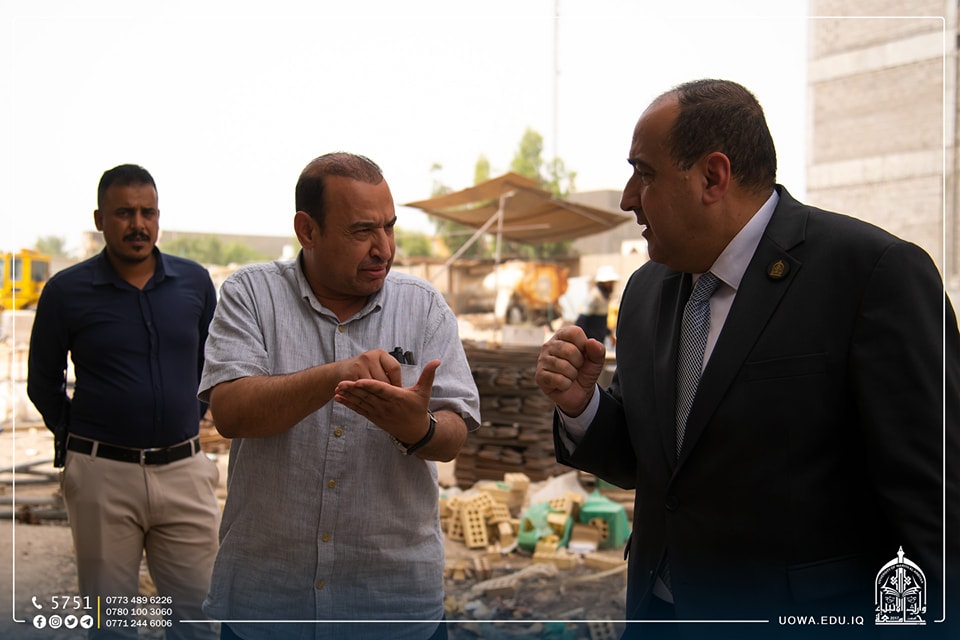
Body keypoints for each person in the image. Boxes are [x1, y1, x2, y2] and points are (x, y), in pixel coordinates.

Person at [535, 79, 959, 639]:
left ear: (713, 177)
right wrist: (583, 406)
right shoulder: (645, 291)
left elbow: (934, 511)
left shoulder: (872, 276)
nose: (627, 197)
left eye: (645, 173)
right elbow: (660, 468)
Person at [198, 152, 481, 640]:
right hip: (268, 607)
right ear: (307, 230)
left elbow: (454, 434)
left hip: (391, 609)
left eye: (389, 227)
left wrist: (419, 429)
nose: (383, 248)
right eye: (362, 231)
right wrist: (335, 377)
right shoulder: (251, 295)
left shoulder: (424, 308)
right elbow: (231, 412)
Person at [27, 164, 220, 640]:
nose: (138, 224)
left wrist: (188, 416)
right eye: (124, 213)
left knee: (198, 620)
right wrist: (79, 438)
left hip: (184, 472)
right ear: (99, 219)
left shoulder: (194, 283)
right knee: (111, 626)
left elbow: (211, 363)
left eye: (147, 212)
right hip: (102, 478)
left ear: (158, 216)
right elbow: (42, 381)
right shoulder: (66, 292)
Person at [574, 265, 619, 344]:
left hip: (599, 341)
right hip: (591, 341)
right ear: (602, 283)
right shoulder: (594, 296)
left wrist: (609, 334)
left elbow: (602, 322)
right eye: (609, 283)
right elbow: (581, 320)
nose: (611, 285)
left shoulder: (605, 296)